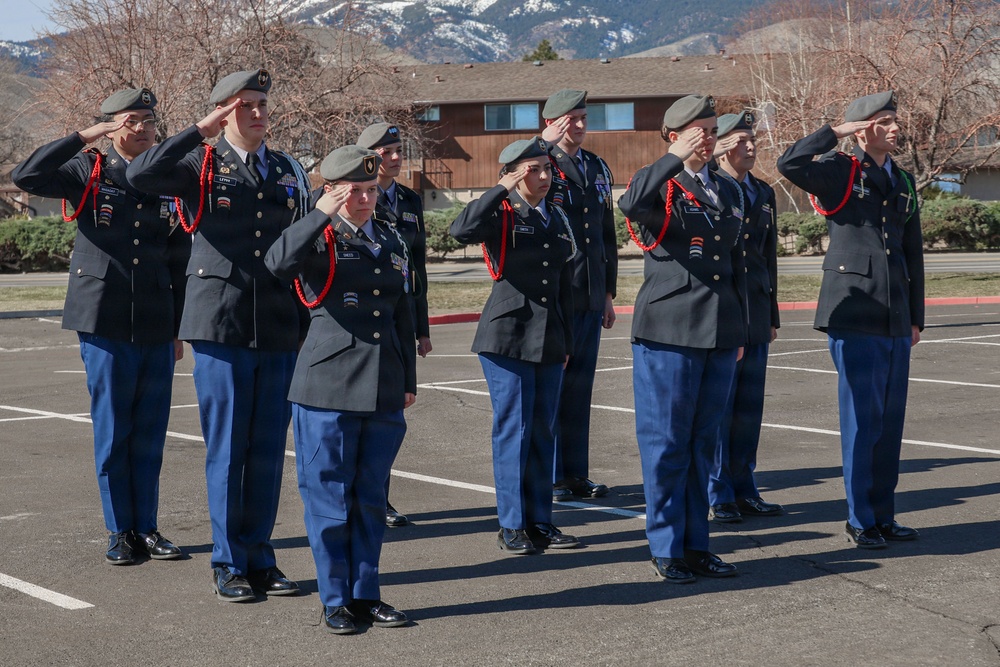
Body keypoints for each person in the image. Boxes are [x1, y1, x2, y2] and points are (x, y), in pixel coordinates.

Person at [128, 69, 309, 600]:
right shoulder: (197, 162)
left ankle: (260, 557)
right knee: (229, 448)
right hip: (220, 321)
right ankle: (229, 562)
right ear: (223, 112)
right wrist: (198, 130)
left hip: (276, 322)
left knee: (269, 449)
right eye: (245, 105)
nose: (257, 113)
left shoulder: (286, 168)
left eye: (261, 104)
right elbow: (141, 173)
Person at [12, 88, 188, 566]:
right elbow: (25, 174)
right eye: (132, 120)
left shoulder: (167, 177)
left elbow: (178, 256)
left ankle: (148, 527)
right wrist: (86, 135)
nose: (143, 128)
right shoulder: (87, 168)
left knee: (151, 429)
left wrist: (176, 326)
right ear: (111, 126)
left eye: (149, 120)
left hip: (155, 316)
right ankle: (120, 530)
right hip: (104, 315)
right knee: (114, 430)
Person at [265, 145, 416, 635]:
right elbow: (278, 263)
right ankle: (335, 599)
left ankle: (366, 594)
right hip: (326, 386)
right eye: (354, 191)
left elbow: (402, 313)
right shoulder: (318, 237)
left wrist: (407, 380)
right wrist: (319, 212)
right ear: (332, 191)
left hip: (382, 386)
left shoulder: (391, 238)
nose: (366, 199)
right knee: (328, 498)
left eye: (371, 190)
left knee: (370, 498)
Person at [777, 90, 924, 549]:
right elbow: (790, 163)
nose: (895, 128)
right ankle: (860, 518)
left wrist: (915, 316)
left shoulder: (902, 179)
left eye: (895, 120)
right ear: (862, 130)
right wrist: (835, 132)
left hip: (895, 314)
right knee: (862, 420)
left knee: (890, 421)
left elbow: (911, 252)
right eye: (884, 121)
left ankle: (884, 514)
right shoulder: (841, 169)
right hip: (855, 308)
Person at [618, 95, 747, 584]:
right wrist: (674, 157)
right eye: (699, 131)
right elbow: (631, 204)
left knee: (703, 444)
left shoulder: (727, 191)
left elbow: (735, 267)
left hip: (718, 332)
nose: (709, 138)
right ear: (674, 135)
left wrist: (738, 331)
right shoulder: (661, 184)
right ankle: (667, 546)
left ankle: (697, 545)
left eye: (712, 130)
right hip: (669, 332)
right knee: (667, 444)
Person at [450, 137, 580, 555]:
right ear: (513, 174)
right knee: (514, 431)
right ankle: (511, 524)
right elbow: (461, 228)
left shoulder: (557, 216)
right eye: (532, 171)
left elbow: (564, 286)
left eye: (546, 169)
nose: (543, 177)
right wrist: (503, 186)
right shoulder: (501, 213)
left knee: (543, 432)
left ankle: (541, 521)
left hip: (549, 337)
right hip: (507, 336)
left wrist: (566, 342)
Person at [539, 89, 618, 503]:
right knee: (553, 388)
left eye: (584, 119)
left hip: (589, 295)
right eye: (572, 121)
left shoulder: (597, 167)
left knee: (580, 390)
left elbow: (606, 235)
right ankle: (551, 475)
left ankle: (574, 474)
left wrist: (608, 293)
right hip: (557, 295)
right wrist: (545, 143)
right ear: (552, 123)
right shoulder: (539, 163)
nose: (582, 127)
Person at [708, 111, 783, 523]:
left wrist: (771, 314)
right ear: (720, 146)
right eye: (739, 140)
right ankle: (718, 493)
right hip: (724, 312)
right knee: (720, 409)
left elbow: (767, 258)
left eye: (752, 139)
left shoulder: (763, 192)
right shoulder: (710, 188)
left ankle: (744, 487)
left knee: (749, 408)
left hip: (755, 311)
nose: (750, 147)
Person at [356, 122, 430, 528]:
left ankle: (380, 498)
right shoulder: (354, 196)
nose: (396, 158)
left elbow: (416, 270)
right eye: (387, 152)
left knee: (390, 414)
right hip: (364, 317)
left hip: (399, 319)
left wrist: (423, 327)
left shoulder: (409, 200)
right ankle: (371, 499)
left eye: (399, 149)